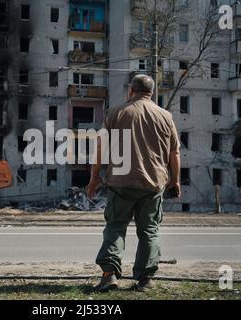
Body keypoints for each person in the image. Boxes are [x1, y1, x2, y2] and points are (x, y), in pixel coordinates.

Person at [86, 74, 181, 292]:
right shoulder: (165, 116)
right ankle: (145, 280)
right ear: (152, 92)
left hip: (120, 183)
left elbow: (100, 147)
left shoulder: (116, 113)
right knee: (149, 230)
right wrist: (175, 180)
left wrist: (94, 178)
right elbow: (174, 152)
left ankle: (109, 276)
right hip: (153, 184)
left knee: (115, 227)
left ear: (131, 90)